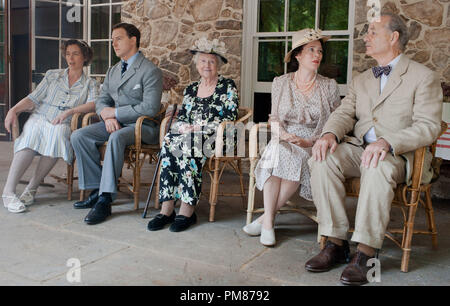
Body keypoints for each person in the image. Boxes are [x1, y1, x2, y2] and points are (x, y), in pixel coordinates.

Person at [305, 13, 442, 285]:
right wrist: (330, 133)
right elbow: (344, 112)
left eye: (372, 32)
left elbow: (429, 126)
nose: (365, 37)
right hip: (359, 148)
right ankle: (335, 242)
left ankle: (366, 252)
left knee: (376, 164)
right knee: (322, 158)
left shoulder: (423, 77)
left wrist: (388, 142)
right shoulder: (362, 79)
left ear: (393, 38)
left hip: (399, 156)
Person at [242, 29, 341, 246]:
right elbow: (275, 117)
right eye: (311, 50)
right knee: (276, 151)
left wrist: (310, 141)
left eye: (320, 51)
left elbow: (336, 123)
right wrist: (284, 135)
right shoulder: (281, 82)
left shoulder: (329, 86)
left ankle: (265, 219)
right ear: (297, 55)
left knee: (291, 157)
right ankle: (268, 222)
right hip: (284, 136)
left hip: (313, 143)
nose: (317, 55)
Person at [71, 23, 163, 225]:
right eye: (112, 40)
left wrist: (117, 112)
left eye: (118, 38)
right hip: (115, 123)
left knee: (116, 137)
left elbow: (149, 108)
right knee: (79, 135)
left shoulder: (150, 70)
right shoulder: (113, 71)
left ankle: (105, 199)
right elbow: (103, 99)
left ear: (133, 40)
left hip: (143, 127)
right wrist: (108, 116)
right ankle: (97, 188)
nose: (113, 43)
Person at [146, 37, 239, 232]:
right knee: (170, 140)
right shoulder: (191, 89)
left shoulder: (228, 86)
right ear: (197, 64)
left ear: (218, 65)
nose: (207, 65)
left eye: (212, 61)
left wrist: (198, 128)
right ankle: (167, 209)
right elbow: (185, 117)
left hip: (220, 136)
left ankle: (187, 210)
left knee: (188, 143)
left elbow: (230, 117)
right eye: (203, 61)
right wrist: (181, 126)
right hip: (191, 136)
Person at [2, 40, 98, 213]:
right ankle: (8, 191)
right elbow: (34, 98)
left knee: (58, 134)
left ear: (85, 57)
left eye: (75, 53)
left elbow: (93, 104)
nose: (70, 58)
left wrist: (70, 112)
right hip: (41, 116)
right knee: (30, 135)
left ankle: (32, 187)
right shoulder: (52, 75)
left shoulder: (90, 83)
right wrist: (13, 110)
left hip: (64, 121)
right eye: (68, 53)